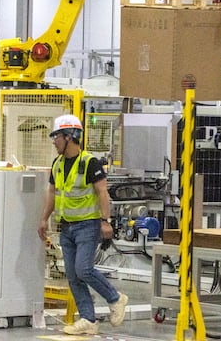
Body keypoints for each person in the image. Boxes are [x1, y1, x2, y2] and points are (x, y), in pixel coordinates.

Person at [38, 114, 128, 335]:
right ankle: (88, 319)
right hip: (66, 226)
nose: (54, 141)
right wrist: (44, 218)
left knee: (83, 269)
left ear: (70, 136)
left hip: (88, 225)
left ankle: (116, 299)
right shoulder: (57, 164)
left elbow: (102, 192)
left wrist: (105, 221)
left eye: (57, 136)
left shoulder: (90, 163)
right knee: (72, 274)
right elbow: (52, 192)